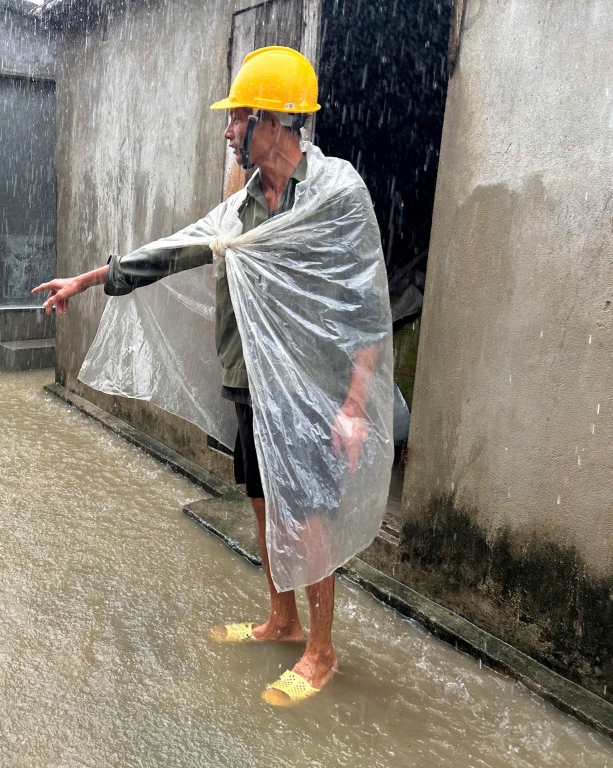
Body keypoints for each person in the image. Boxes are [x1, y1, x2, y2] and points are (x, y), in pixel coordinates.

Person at [32, 47, 391, 707]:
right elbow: (177, 248)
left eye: (237, 121)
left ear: (272, 121)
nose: (227, 131)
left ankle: (321, 650)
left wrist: (354, 403)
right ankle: (281, 620)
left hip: (309, 388)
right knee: (262, 503)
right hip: (250, 385)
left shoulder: (337, 195)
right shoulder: (245, 205)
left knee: (306, 513)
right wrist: (87, 280)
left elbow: (365, 306)